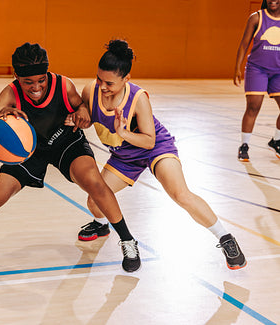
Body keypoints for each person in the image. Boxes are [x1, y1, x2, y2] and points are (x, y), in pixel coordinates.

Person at [0, 42, 141, 272]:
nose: (36, 86)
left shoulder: (63, 84)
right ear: (17, 77)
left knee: (95, 184)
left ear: (47, 74)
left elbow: (81, 106)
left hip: (65, 141)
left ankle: (127, 241)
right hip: (28, 151)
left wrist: (83, 111)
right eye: (28, 82)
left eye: (41, 79)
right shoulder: (10, 93)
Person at [71, 39, 246, 270]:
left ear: (126, 79)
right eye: (99, 79)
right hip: (124, 156)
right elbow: (90, 119)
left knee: (180, 194)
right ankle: (101, 224)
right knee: (94, 200)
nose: (103, 87)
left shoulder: (138, 97)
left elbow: (149, 139)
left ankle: (226, 239)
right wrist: (79, 117)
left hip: (154, 148)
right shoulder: (90, 91)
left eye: (110, 83)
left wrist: (122, 132)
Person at [234, 0, 280, 161]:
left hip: (278, 71)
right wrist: (237, 67)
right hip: (257, 69)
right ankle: (244, 145)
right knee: (254, 106)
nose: (273, 1)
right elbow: (244, 44)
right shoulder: (256, 18)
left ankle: (276, 140)